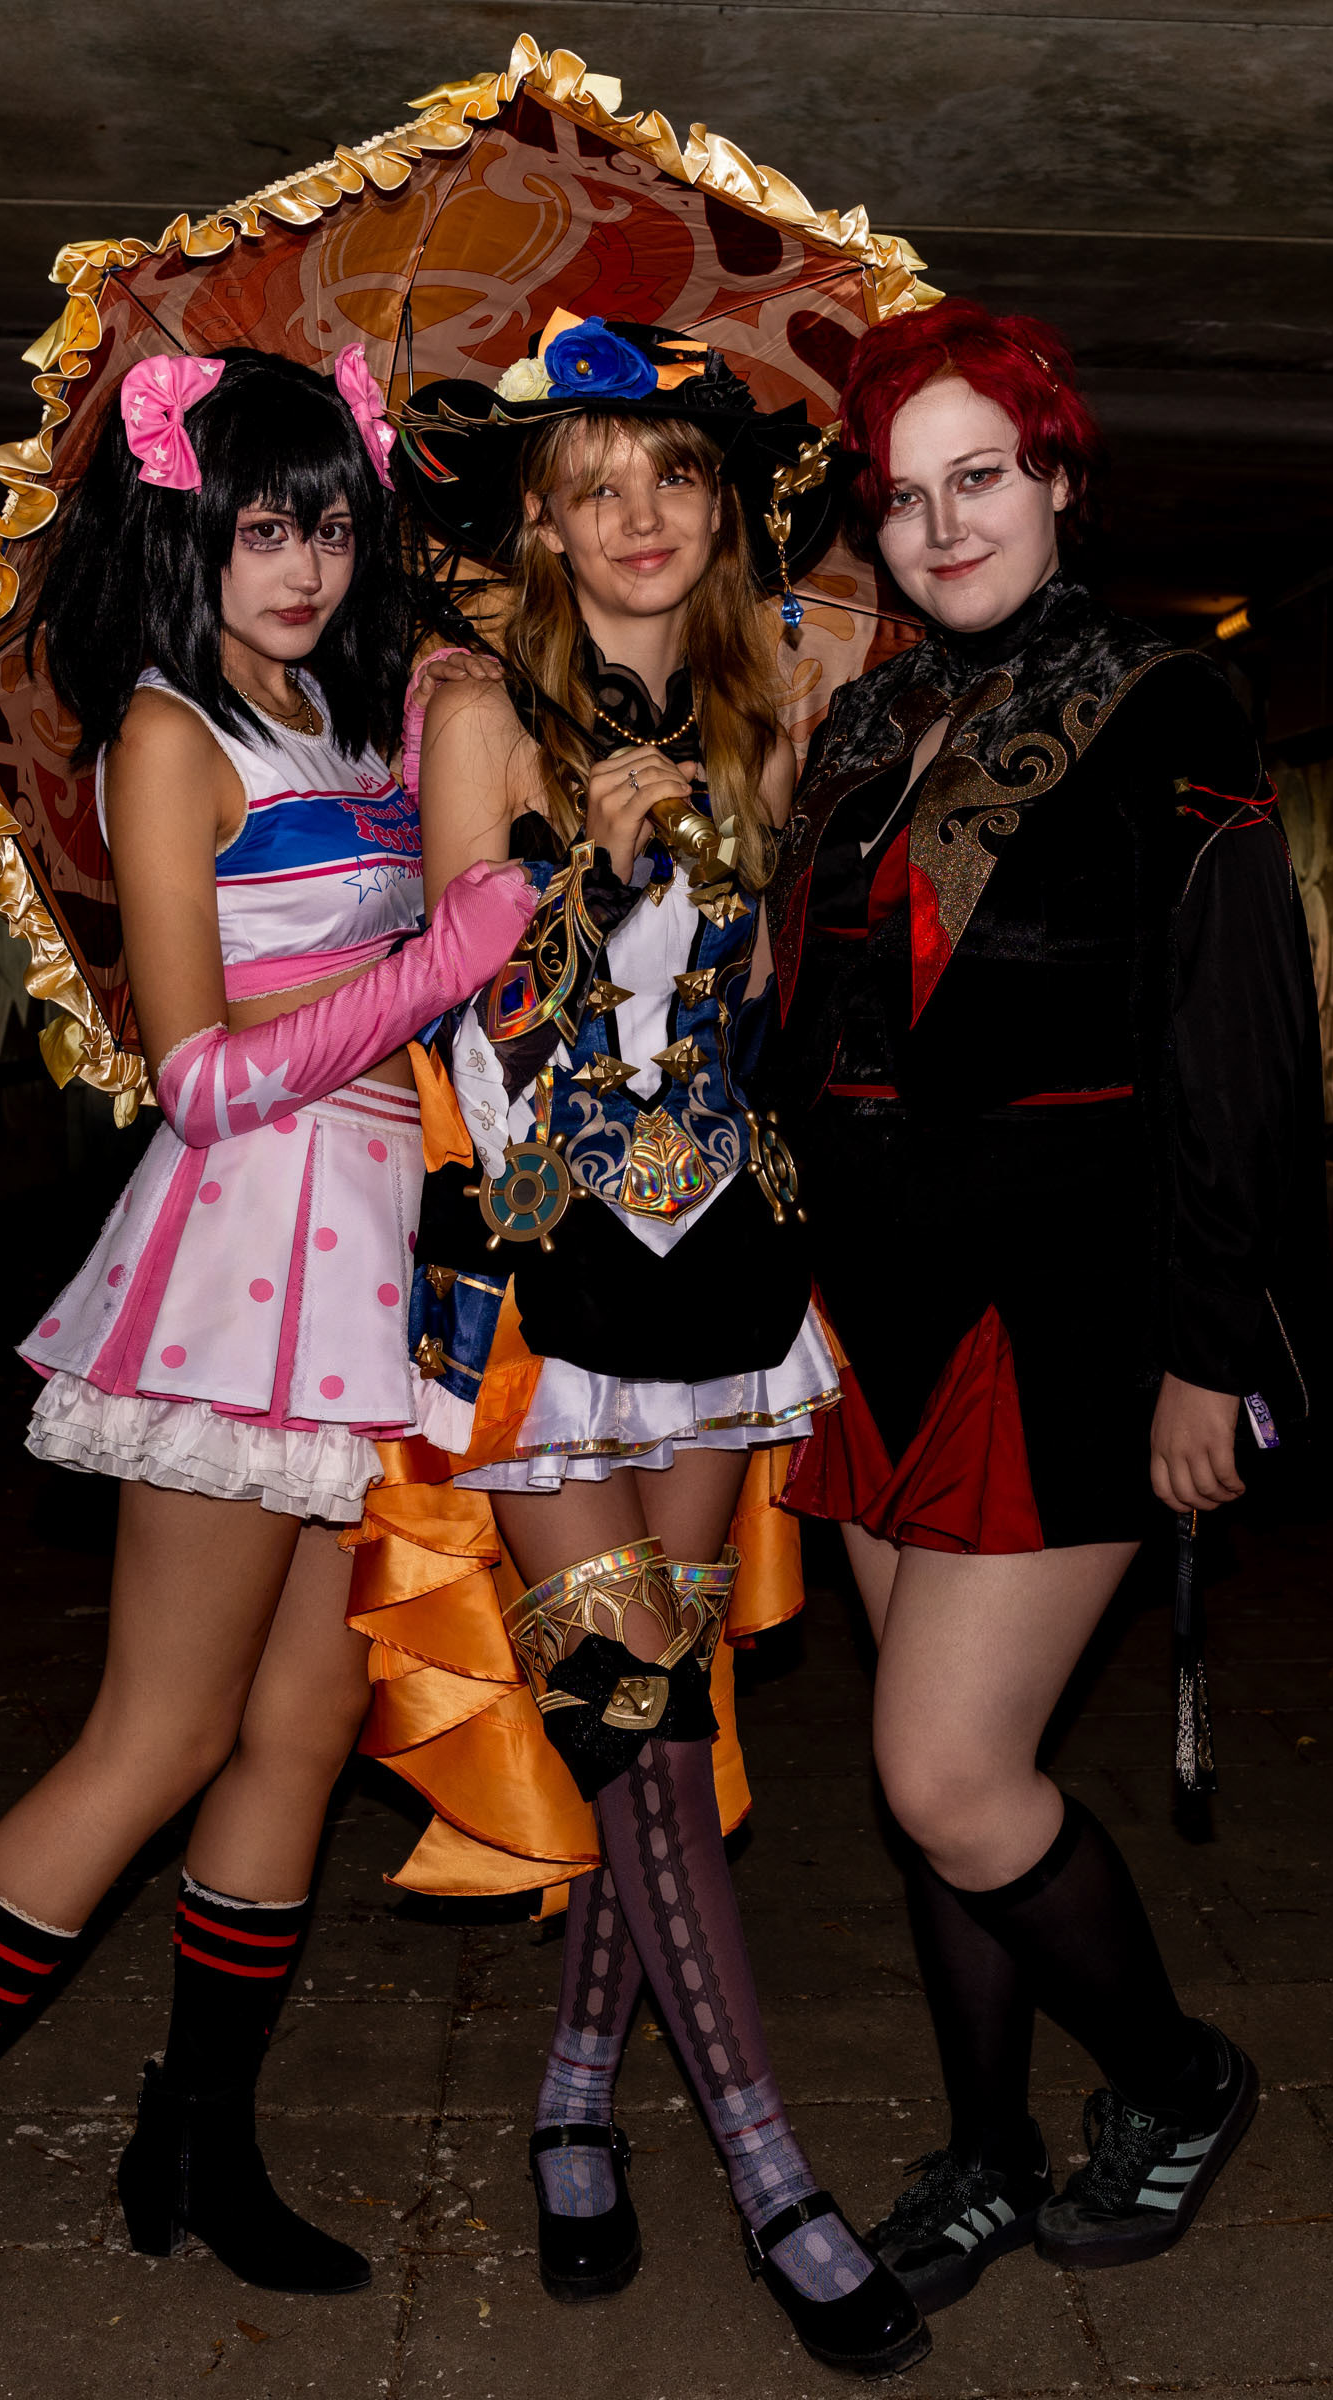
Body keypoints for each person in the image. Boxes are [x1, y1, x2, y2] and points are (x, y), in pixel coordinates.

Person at [0, 346, 537, 2314]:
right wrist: (444, 950)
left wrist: (462, 734)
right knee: (155, 1736)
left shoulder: (330, 729)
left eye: (328, 521)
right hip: (244, 1261)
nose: (304, 564)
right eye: (259, 526)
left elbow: (448, 904)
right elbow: (200, 1075)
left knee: (305, 1732)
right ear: (184, 530)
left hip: (371, 1269)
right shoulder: (173, 737)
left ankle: (198, 2142)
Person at [761, 298, 1325, 2310]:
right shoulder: (857, 728)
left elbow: (1241, 1046)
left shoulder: (1176, 700)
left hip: (1073, 1308)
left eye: (977, 478)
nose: (941, 528)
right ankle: (989, 2149)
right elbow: (817, 1032)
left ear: (1060, 476)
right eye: (905, 499)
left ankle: (1176, 2078)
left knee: (944, 1774)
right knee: (943, 1807)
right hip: (878, 1313)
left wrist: (1211, 1341)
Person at [388, 313, 930, 2375]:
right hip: (540, 1295)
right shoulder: (476, 709)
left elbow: (762, 999)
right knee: (633, 1732)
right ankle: (777, 2174)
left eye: (675, 480)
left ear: (718, 513)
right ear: (536, 517)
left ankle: (571, 2105)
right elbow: (462, 1006)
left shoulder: (753, 703)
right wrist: (579, 880)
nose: (636, 517)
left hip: (718, 1289)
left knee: (669, 1722)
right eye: (595, 486)